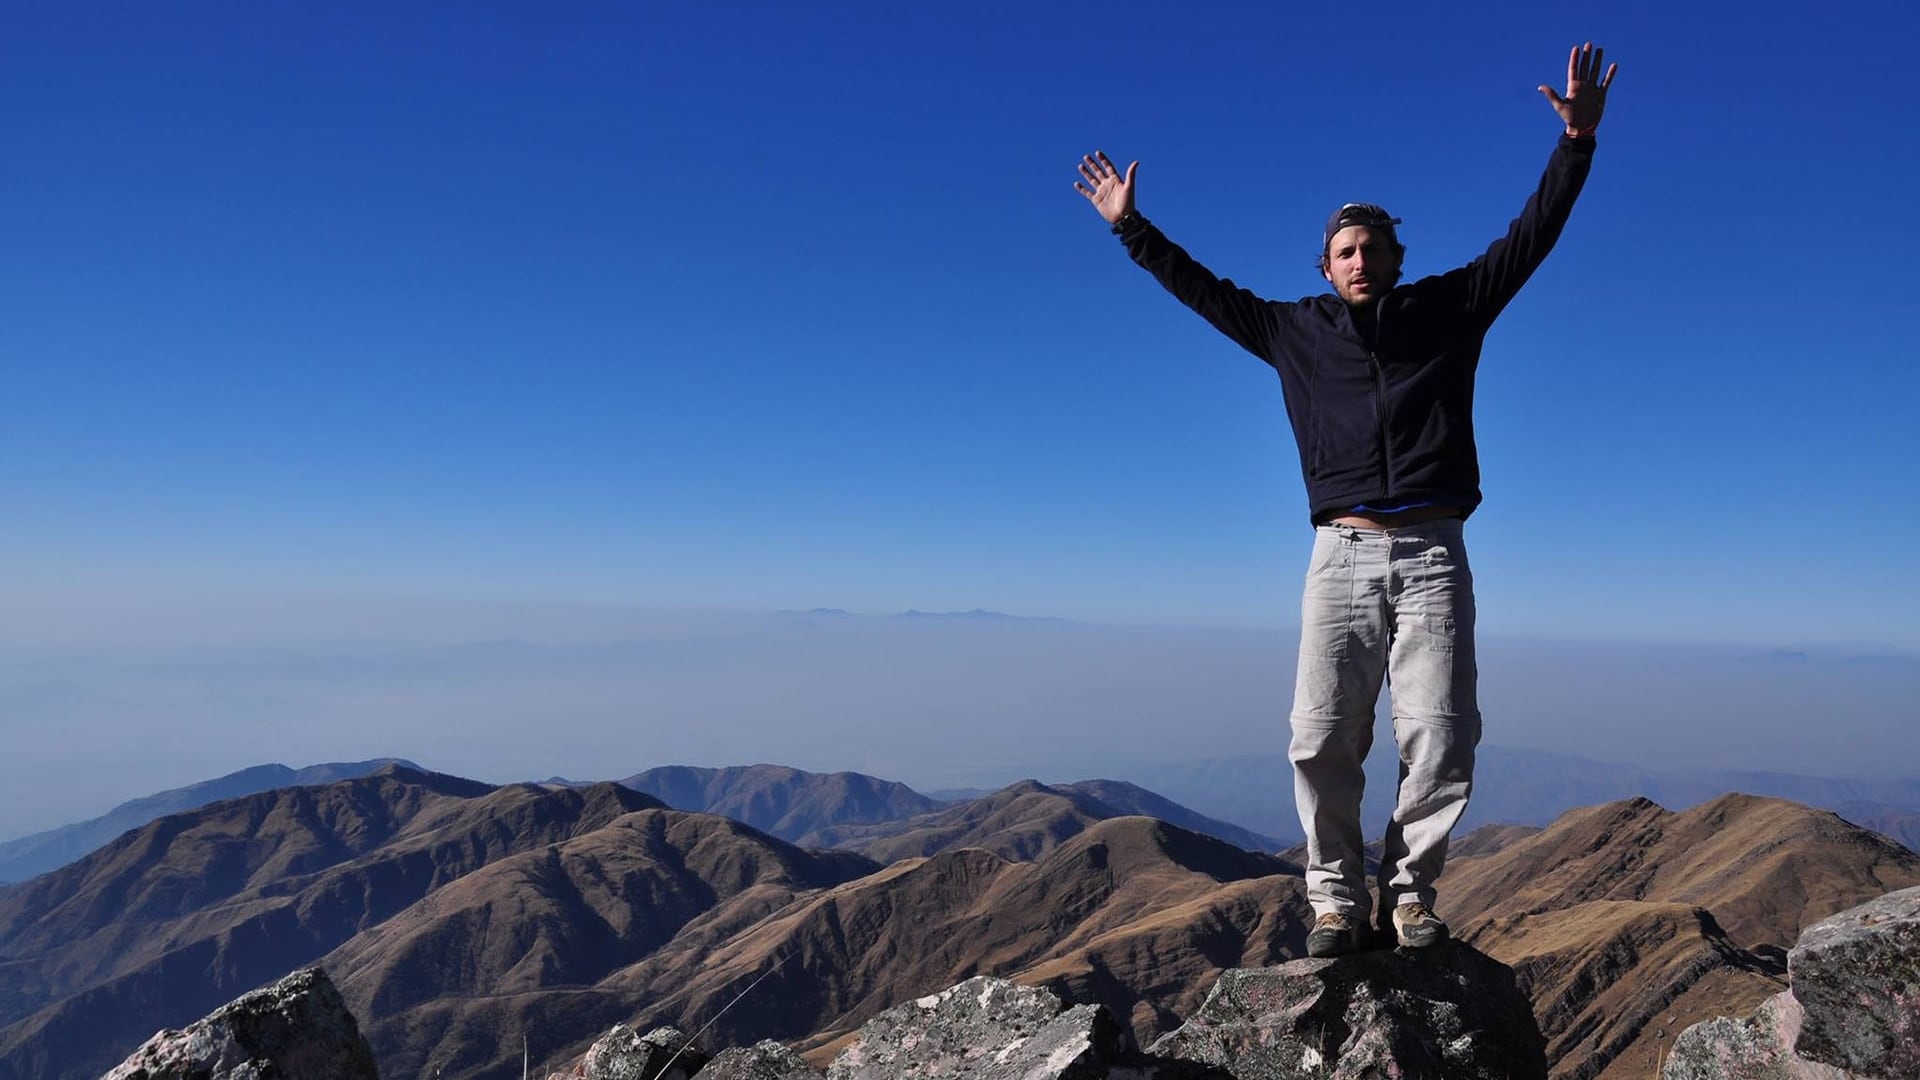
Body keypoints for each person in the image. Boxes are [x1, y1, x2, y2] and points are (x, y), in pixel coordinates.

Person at [1074, 44, 1618, 957]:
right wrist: (1133, 228)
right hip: (1342, 555)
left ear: (1397, 260)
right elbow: (1203, 292)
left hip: (1435, 554)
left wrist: (1577, 143)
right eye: (1344, 250)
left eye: (1373, 248)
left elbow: (1531, 236)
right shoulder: (1293, 332)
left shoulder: (1449, 309)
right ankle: (1334, 902)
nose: (1360, 260)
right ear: (1325, 267)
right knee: (1321, 740)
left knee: (1441, 739)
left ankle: (1408, 902)